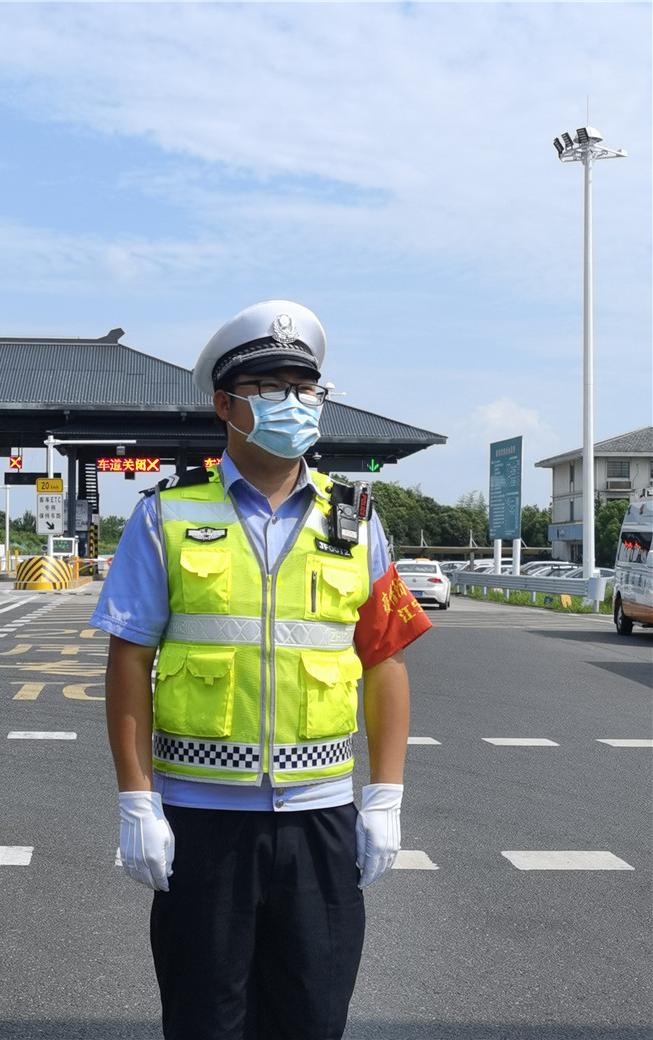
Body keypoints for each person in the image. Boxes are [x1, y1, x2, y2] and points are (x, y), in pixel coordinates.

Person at [90, 300, 432, 1040]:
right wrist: (137, 801)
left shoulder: (355, 520)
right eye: (272, 388)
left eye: (307, 389)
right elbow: (129, 660)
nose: (294, 403)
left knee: (313, 1019)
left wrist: (385, 797)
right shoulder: (166, 515)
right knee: (203, 1020)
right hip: (203, 820)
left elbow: (385, 659)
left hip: (321, 819)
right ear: (225, 405)